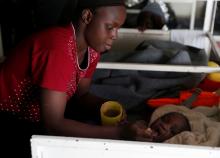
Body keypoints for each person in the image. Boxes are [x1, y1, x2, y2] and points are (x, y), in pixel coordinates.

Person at [0, 0, 152, 157]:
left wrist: (105, 106)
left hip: (36, 121)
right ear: (87, 16)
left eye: (117, 28)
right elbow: (53, 125)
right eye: (110, 27)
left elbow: (81, 95)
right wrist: (119, 132)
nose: (115, 35)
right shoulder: (58, 48)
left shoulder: (91, 51)